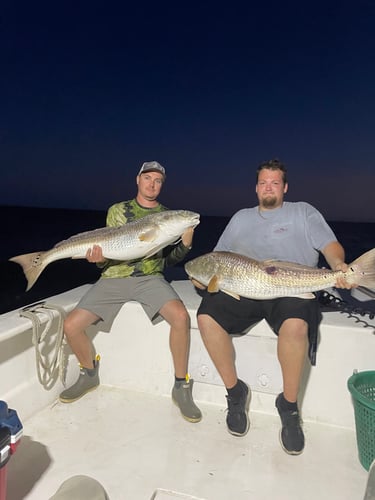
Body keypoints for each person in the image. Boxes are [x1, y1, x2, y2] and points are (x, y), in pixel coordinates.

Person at [195, 159, 354, 454]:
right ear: (256, 188)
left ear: (285, 187)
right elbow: (217, 257)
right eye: (263, 183)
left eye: (275, 183)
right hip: (246, 288)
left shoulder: (303, 212)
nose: (269, 188)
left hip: (292, 288)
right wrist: (201, 279)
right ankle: (235, 392)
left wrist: (339, 266)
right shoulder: (241, 218)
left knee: (296, 329)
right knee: (206, 318)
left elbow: (330, 246)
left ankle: (289, 406)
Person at [59, 161, 202, 423]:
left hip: (150, 278)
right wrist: (98, 259)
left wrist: (186, 244)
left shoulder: (166, 216)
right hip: (114, 277)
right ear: (138, 180)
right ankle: (89, 373)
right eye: (148, 178)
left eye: (158, 181)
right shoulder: (119, 210)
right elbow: (110, 253)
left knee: (181, 317)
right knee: (70, 325)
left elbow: (167, 261)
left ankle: (181, 386)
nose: (152, 184)